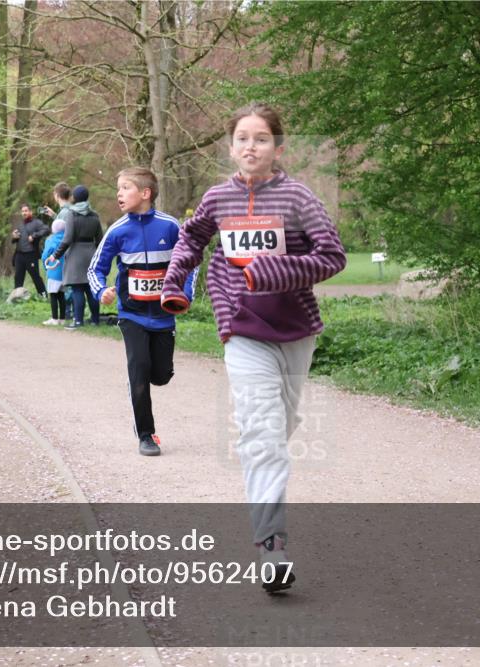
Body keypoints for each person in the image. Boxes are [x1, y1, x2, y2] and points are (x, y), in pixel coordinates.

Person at [160, 103, 347, 592]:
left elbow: (332, 257)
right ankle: (272, 548)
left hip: (295, 330)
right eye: (242, 138)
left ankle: (264, 452)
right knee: (262, 433)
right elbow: (191, 240)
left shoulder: (298, 198)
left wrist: (273, 270)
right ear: (231, 147)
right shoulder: (218, 198)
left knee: (277, 427)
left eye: (261, 139)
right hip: (241, 327)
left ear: (277, 148)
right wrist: (175, 279)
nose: (251, 146)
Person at [88, 167, 197, 457]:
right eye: (118, 188)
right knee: (139, 369)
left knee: (160, 375)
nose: (119, 194)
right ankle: (146, 435)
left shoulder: (170, 226)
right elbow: (95, 269)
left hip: (163, 315)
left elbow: (191, 261)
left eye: (125, 188)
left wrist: (185, 293)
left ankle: (151, 373)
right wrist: (101, 291)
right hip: (131, 314)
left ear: (145, 193)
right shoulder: (117, 230)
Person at [47, 184, 103, 329]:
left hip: (75, 254)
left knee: (78, 289)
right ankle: (95, 320)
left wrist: (55, 255)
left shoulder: (72, 214)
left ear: (75, 198)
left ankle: (78, 321)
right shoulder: (94, 215)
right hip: (91, 254)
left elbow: (67, 239)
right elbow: (100, 239)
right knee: (90, 288)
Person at [12, 203, 49, 297]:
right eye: (22, 211)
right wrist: (14, 237)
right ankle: (17, 297)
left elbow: (46, 229)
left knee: (35, 276)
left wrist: (34, 235)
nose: (24, 213)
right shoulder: (20, 225)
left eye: (26, 211)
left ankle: (43, 296)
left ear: (30, 212)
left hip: (31, 254)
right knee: (18, 277)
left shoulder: (36, 223)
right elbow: (15, 239)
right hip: (19, 255)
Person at [41, 218, 67, 325]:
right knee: (62, 295)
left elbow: (45, 256)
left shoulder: (51, 240)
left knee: (53, 295)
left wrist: (45, 267)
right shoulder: (67, 239)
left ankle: (54, 318)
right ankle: (63, 318)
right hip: (65, 272)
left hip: (54, 271)